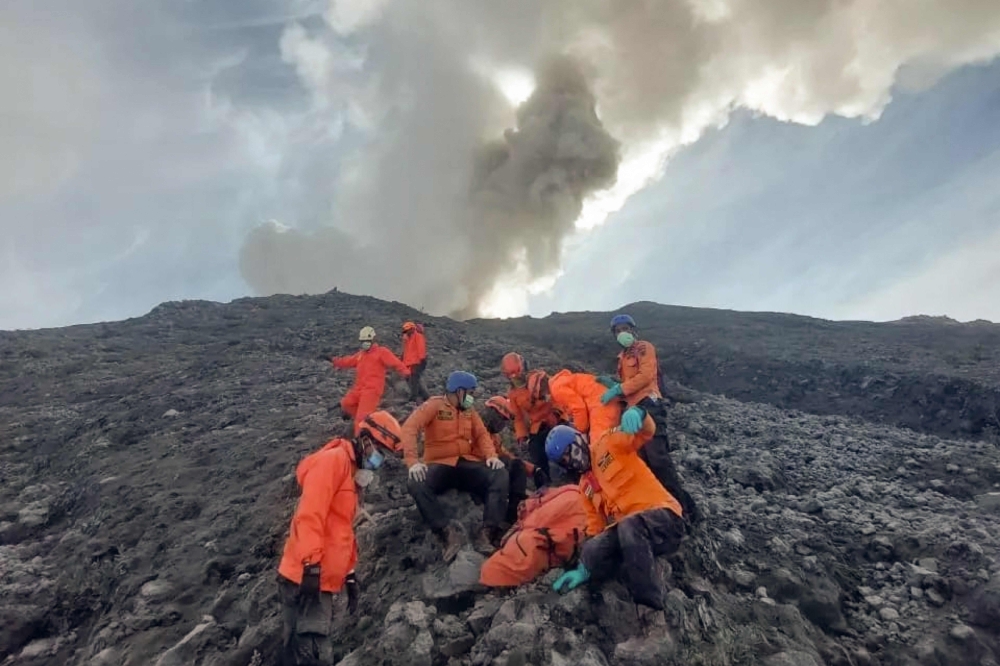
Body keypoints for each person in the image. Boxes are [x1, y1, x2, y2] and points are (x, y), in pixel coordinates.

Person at [276, 410, 402, 665]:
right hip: (305, 575)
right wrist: (311, 565)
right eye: (380, 452)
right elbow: (310, 515)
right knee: (313, 651)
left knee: (299, 648)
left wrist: (349, 572)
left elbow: (342, 531)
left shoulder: (351, 473)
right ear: (366, 440)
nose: (379, 460)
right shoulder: (332, 462)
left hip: (320, 576)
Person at [544, 416, 686, 612]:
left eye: (571, 452)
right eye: (566, 461)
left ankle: (649, 606)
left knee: (629, 526)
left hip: (663, 519)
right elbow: (595, 529)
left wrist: (640, 415)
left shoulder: (608, 443)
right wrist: (585, 566)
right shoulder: (584, 488)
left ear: (579, 440)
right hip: (633, 536)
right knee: (593, 548)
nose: (573, 461)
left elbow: (644, 432)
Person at [600, 314, 700, 524]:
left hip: (650, 405)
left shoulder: (644, 348)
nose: (622, 333)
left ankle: (684, 513)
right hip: (633, 411)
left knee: (659, 460)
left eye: (625, 328)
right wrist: (614, 386)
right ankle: (671, 508)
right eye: (617, 331)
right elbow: (629, 386)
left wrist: (619, 387)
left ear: (634, 330)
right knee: (646, 463)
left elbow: (645, 376)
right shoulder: (622, 358)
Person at [402, 371, 509, 561]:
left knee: (499, 474)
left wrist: (491, 456)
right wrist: (413, 463)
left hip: (465, 464)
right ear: (459, 391)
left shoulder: (469, 410)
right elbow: (410, 428)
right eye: (470, 392)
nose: (472, 397)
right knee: (415, 483)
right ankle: (446, 532)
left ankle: (488, 531)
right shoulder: (434, 405)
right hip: (439, 465)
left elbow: (482, 435)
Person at [330, 326, 410, 439]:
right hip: (359, 388)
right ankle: (368, 421)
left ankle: (360, 440)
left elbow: (395, 363)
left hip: (372, 390)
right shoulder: (361, 355)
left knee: (361, 418)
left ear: (373, 340)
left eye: (367, 341)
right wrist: (334, 361)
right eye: (362, 341)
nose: (364, 343)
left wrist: (406, 372)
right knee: (346, 404)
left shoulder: (382, 352)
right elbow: (348, 361)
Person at [502, 353, 560, 488]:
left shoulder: (540, 378)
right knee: (536, 454)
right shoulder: (513, 394)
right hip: (537, 427)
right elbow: (518, 418)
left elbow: (557, 395)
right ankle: (545, 486)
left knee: (568, 444)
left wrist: (558, 412)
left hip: (555, 418)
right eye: (511, 374)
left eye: (517, 371)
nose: (516, 376)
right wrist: (521, 436)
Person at [480, 396, 532, 524]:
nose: (502, 424)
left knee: (516, 465)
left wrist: (532, 469)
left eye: (504, 420)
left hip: (487, 471)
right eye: (501, 418)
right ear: (491, 413)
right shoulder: (474, 428)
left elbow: (506, 455)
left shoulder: (494, 437)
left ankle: (512, 514)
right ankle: (494, 523)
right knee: (504, 466)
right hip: (476, 472)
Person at [401, 321, 430, 402]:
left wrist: (422, 359)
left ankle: (414, 397)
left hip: (417, 362)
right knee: (413, 379)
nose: (406, 332)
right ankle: (425, 396)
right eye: (405, 331)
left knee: (414, 379)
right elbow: (406, 352)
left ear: (412, 329)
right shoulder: (408, 339)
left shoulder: (418, 336)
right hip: (410, 363)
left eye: (408, 330)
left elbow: (421, 349)